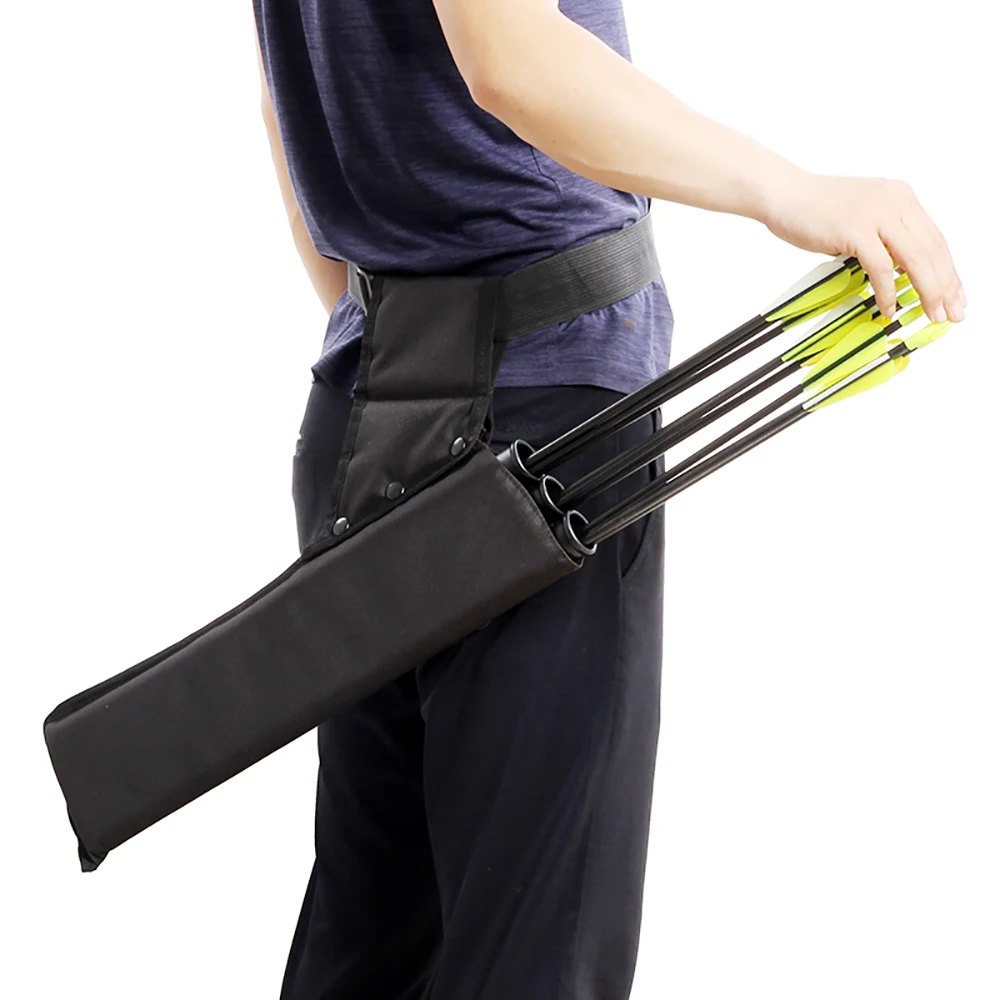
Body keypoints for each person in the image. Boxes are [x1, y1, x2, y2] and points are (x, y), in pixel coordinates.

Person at [252, 2, 965, 998]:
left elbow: (287, 96)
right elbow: (511, 59)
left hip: (371, 401)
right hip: (540, 436)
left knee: (370, 947)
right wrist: (793, 192)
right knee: (535, 959)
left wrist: (395, 338)